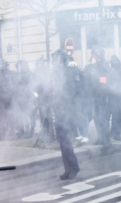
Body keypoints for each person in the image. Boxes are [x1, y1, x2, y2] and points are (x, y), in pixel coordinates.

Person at [50, 49, 80, 180]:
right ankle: (67, 169)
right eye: (55, 58)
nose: (56, 60)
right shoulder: (56, 73)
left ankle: (73, 168)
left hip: (67, 111)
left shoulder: (69, 72)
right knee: (62, 141)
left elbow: (73, 91)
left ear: (63, 59)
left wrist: (67, 102)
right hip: (59, 110)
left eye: (58, 58)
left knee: (66, 141)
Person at [88, 46, 112, 148]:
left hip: (102, 95)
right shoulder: (95, 65)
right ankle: (101, 138)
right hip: (95, 95)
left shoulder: (104, 65)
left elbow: (104, 79)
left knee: (102, 118)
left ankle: (107, 140)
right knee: (96, 117)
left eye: (94, 54)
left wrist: (97, 84)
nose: (92, 56)